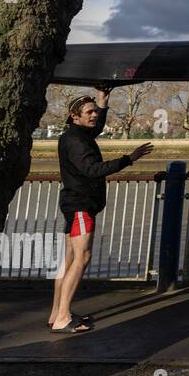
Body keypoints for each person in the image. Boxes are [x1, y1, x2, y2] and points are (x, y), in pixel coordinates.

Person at [51, 88, 153, 333]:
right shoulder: (76, 141)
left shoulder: (77, 135)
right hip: (80, 206)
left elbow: (96, 129)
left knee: (68, 260)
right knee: (82, 258)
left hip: (74, 204)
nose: (94, 116)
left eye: (95, 112)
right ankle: (63, 318)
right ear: (74, 116)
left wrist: (103, 102)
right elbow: (93, 170)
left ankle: (56, 313)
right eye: (89, 112)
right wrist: (129, 158)